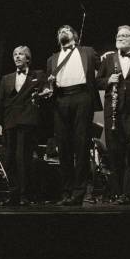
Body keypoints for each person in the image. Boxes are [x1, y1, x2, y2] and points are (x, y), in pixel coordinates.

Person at [45, 25, 102, 206]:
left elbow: (103, 69)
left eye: (67, 29)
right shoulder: (51, 59)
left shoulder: (87, 51)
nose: (63, 31)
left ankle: (79, 192)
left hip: (82, 97)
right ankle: (66, 192)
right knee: (64, 146)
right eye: (60, 30)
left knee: (81, 144)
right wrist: (48, 88)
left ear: (75, 36)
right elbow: (48, 87)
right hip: (60, 99)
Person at [96, 25, 130, 204]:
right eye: (118, 35)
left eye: (124, 36)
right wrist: (107, 81)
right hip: (112, 110)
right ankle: (117, 193)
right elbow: (97, 82)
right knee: (114, 151)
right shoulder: (109, 59)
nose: (120, 38)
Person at [0, 46, 46, 206]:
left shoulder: (38, 75)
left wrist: (44, 92)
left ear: (28, 58)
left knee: (23, 158)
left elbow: (46, 91)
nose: (17, 57)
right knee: (9, 159)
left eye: (20, 54)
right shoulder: (6, 78)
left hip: (27, 121)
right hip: (9, 122)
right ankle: (14, 193)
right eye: (15, 54)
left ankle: (24, 195)